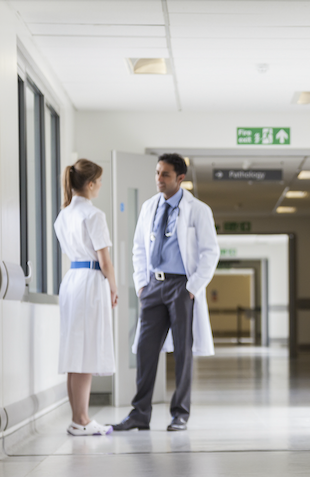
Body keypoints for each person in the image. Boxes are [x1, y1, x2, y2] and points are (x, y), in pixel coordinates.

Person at [113, 153, 220, 432]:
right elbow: (138, 247)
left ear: (180, 178)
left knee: (183, 351)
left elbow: (211, 252)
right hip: (153, 286)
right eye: (157, 173)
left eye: (165, 175)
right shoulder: (149, 207)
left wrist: (193, 288)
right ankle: (139, 413)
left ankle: (180, 413)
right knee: (146, 349)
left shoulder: (198, 210)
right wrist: (140, 283)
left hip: (182, 286)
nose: (159, 179)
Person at [55, 159, 117, 436]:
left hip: (72, 281)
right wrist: (114, 287)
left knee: (75, 351)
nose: (101, 186)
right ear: (90, 184)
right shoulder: (94, 215)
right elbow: (105, 261)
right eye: (100, 181)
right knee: (86, 351)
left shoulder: (64, 214)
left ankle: (78, 417)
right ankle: (81, 419)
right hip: (91, 281)